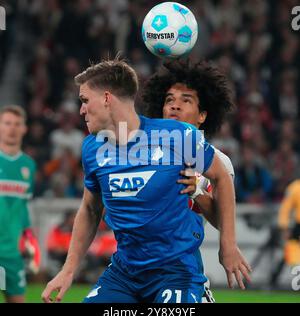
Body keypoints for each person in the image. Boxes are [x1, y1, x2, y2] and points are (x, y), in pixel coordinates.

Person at [42, 57, 250, 303]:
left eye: (85, 100)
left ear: (107, 98)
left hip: (175, 272)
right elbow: (89, 208)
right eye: (169, 100)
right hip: (125, 272)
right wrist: (68, 270)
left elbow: (222, 181)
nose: (81, 109)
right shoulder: (92, 148)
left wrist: (227, 244)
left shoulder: (184, 141)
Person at [143, 59, 248, 295]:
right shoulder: (140, 151)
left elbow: (222, 221)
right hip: (134, 264)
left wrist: (198, 190)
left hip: (179, 266)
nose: (174, 106)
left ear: (202, 116)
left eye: (185, 100)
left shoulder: (217, 163)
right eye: (169, 100)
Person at [0, 105, 37, 303]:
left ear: (24, 128)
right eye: (7, 123)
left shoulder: (28, 165)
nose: (12, 128)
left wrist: (28, 235)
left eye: (17, 124)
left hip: (12, 254)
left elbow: (23, 205)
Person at [269, 179, 300, 288]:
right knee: (289, 254)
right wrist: (284, 227)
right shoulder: (295, 187)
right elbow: (285, 208)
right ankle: (274, 280)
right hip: (298, 228)